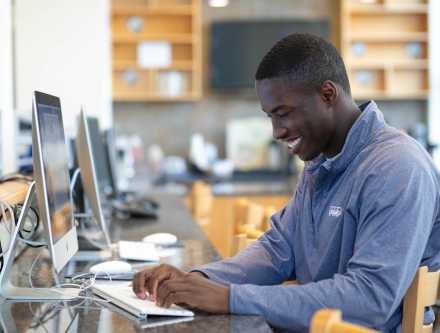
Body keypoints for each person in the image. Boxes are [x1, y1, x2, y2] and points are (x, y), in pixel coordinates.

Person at [132, 33, 440, 332]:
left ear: (328, 95)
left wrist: (231, 298)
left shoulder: (398, 167)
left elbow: (370, 297)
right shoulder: (321, 161)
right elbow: (279, 248)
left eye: (284, 113)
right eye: (270, 116)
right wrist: (198, 280)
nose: (277, 132)